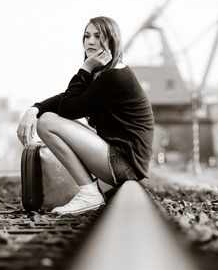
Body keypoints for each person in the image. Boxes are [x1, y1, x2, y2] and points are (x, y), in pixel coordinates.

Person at [17, 16, 154, 215]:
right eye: (87, 36)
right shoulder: (107, 73)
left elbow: (67, 108)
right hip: (122, 160)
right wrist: (34, 108)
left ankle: (89, 193)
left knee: (47, 122)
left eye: (98, 36)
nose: (90, 41)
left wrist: (85, 68)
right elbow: (67, 98)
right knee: (45, 115)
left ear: (111, 40)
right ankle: (90, 190)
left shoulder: (113, 77)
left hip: (123, 162)